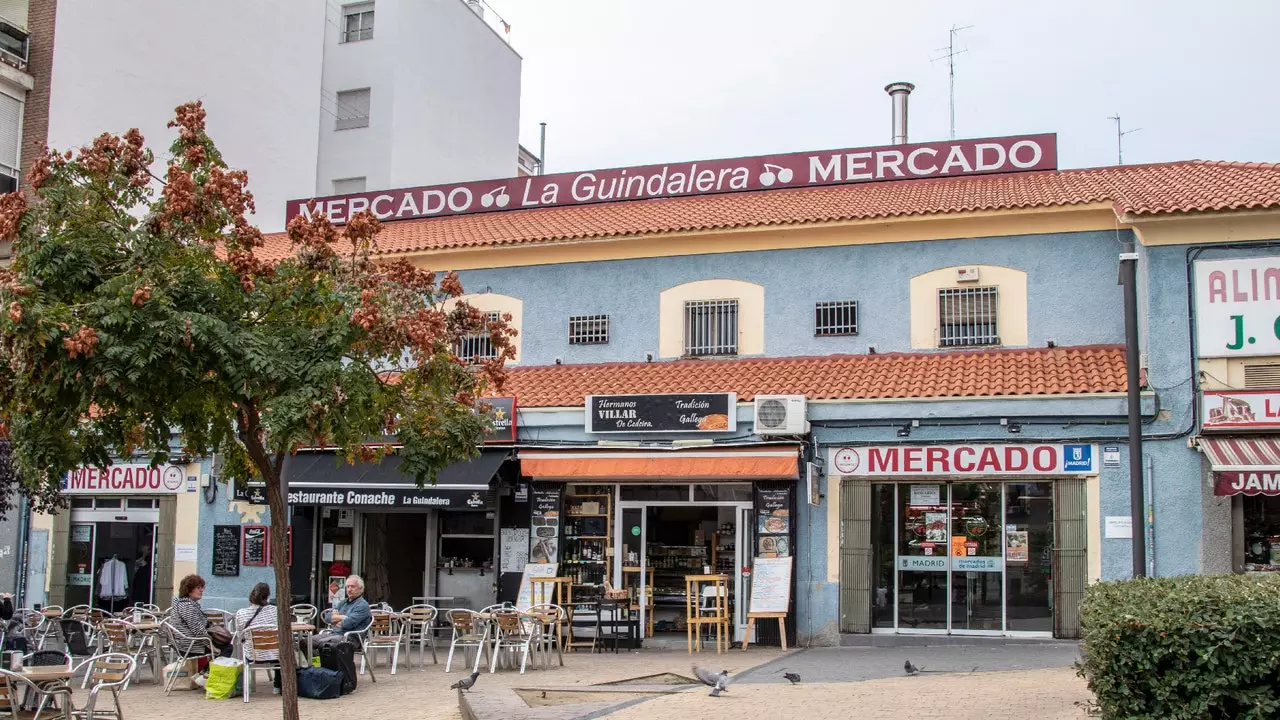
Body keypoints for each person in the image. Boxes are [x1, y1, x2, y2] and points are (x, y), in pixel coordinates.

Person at [234, 583, 282, 694]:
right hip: (275, 654)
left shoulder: (241, 613)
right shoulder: (276, 611)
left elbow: (240, 635)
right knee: (283, 649)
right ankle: (277, 686)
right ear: (268, 596)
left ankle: (247, 690)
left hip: (252, 654)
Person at [170, 574, 232, 659]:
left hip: (187, 643)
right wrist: (213, 648)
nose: (201, 590)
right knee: (227, 648)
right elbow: (198, 631)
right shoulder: (187, 606)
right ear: (189, 590)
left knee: (223, 643)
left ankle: (207, 670)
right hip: (190, 646)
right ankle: (211, 671)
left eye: (202, 588)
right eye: (198, 588)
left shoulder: (183, 604)